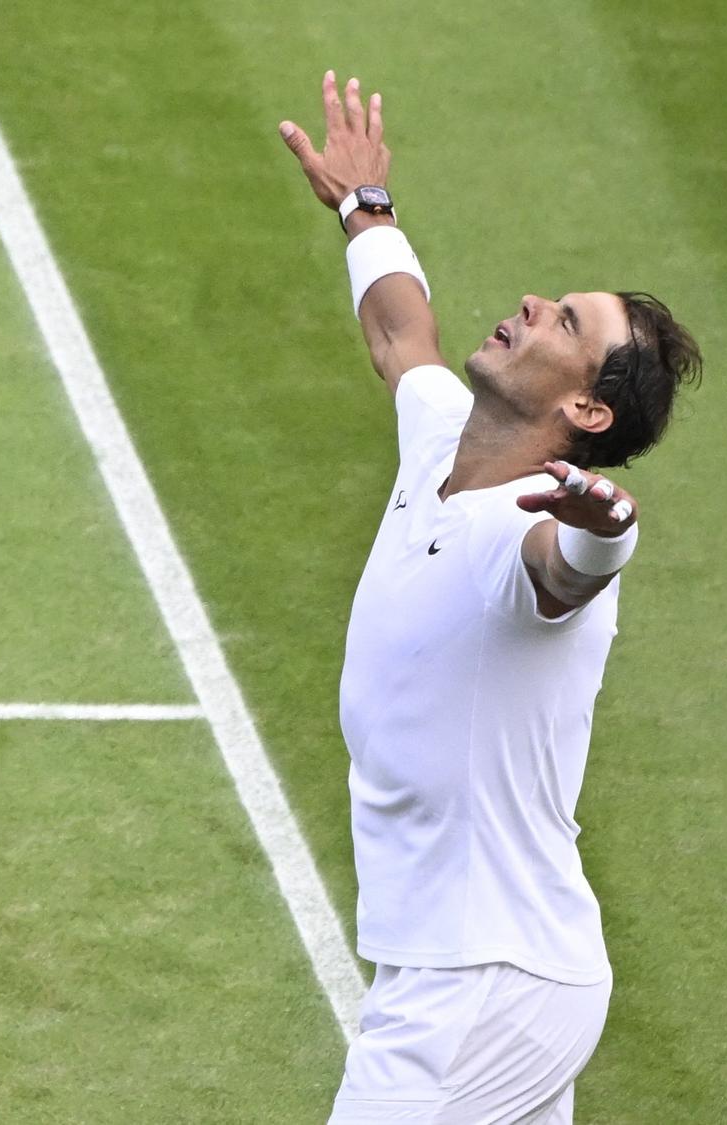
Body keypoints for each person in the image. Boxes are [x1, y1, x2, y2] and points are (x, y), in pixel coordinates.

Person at [277, 70, 703, 1123]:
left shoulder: (523, 531)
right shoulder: (438, 443)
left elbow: (562, 573)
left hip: (479, 984)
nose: (527, 303)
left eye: (563, 320)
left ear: (581, 410)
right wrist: (363, 209)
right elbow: (397, 337)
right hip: (483, 970)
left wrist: (606, 533)